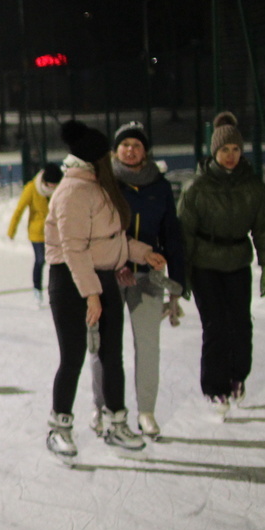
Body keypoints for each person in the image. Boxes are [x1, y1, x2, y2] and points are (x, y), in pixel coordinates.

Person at [43, 122, 167, 459]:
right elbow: (74, 249)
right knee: (73, 357)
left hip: (104, 277)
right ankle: (60, 427)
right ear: (95, 158)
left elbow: (112, 239)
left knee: (113, 356)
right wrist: (92, 295)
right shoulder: (71, 192)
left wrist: (143, 253)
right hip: (71, 282)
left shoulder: (98, 187)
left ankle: (116, 423)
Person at [88, 123, 186, 438]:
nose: (130, 150)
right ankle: (102, 406)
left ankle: (146, 412)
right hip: (110, 274)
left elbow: (172, 234)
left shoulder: (159, 186)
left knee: (148, 347)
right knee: (105, 345)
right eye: (125, 144)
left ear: (146, 151)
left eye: (137, 145)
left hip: (148, 277)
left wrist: (178, 284)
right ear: (115, 151)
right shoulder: (105, 183)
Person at [179, 112, 265, 414]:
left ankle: (237, 377)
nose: (231, 155)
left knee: (240, 324)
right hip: (205, 264)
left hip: (237, 261)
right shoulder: (197, 187)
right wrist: (182, 274)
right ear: (214, 152)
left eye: (235, 149)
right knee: (216, 325)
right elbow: (184, 233)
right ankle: (214, 387)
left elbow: (263, 227)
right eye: (224, 150)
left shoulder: (253, 186)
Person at [7, 163, 63, 307]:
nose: (53, 188)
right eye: (50, 185)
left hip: (56, 232)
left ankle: (58, 290)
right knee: (40, 260)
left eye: (55, 185)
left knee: (58, 263)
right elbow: (19, 210)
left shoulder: (61, 189)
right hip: (37, 232)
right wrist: (11, 230)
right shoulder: (32, 188)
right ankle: (37, 289)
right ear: (44, 181)